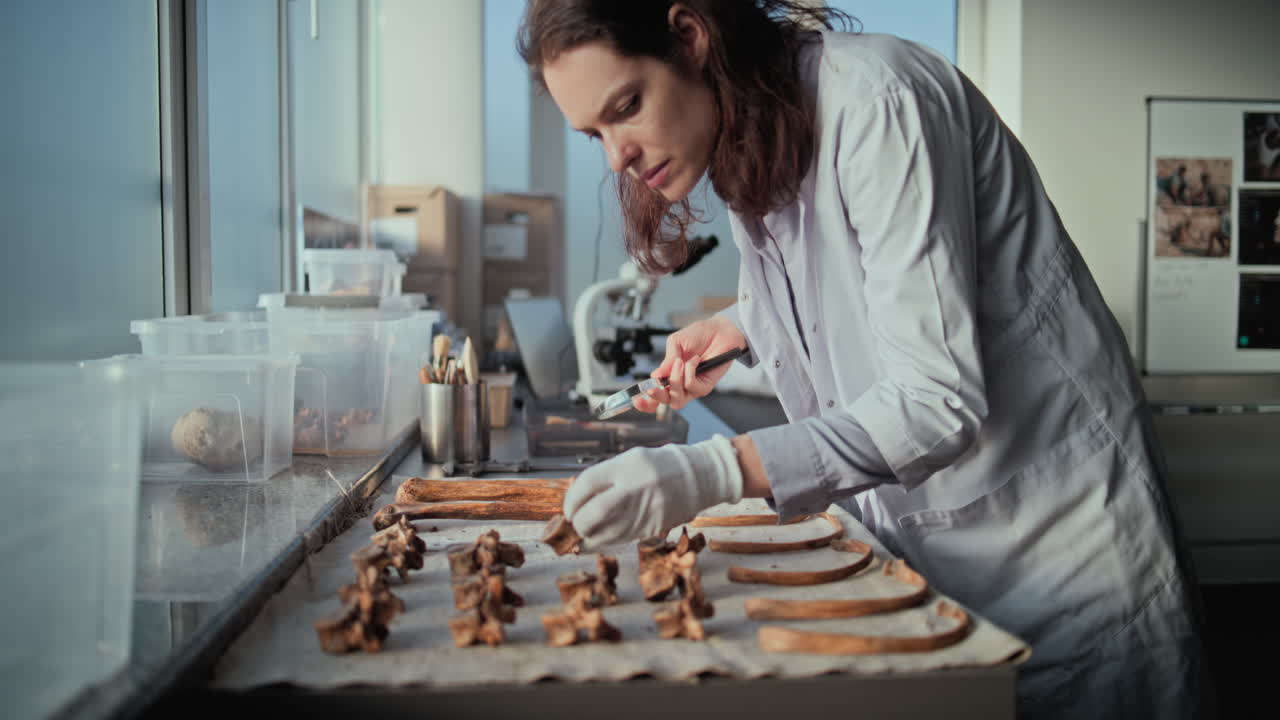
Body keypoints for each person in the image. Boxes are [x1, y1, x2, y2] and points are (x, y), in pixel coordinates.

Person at [518, 2, 1215, 718]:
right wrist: (743, 326)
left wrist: (711, 472)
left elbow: (934, 402)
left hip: (1059, 553)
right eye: (595, 134)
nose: (617, 157)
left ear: (691, 37)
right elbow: (858, 283)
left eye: (626, 108)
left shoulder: (880, 101)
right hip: (933, 554)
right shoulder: (750, 136)